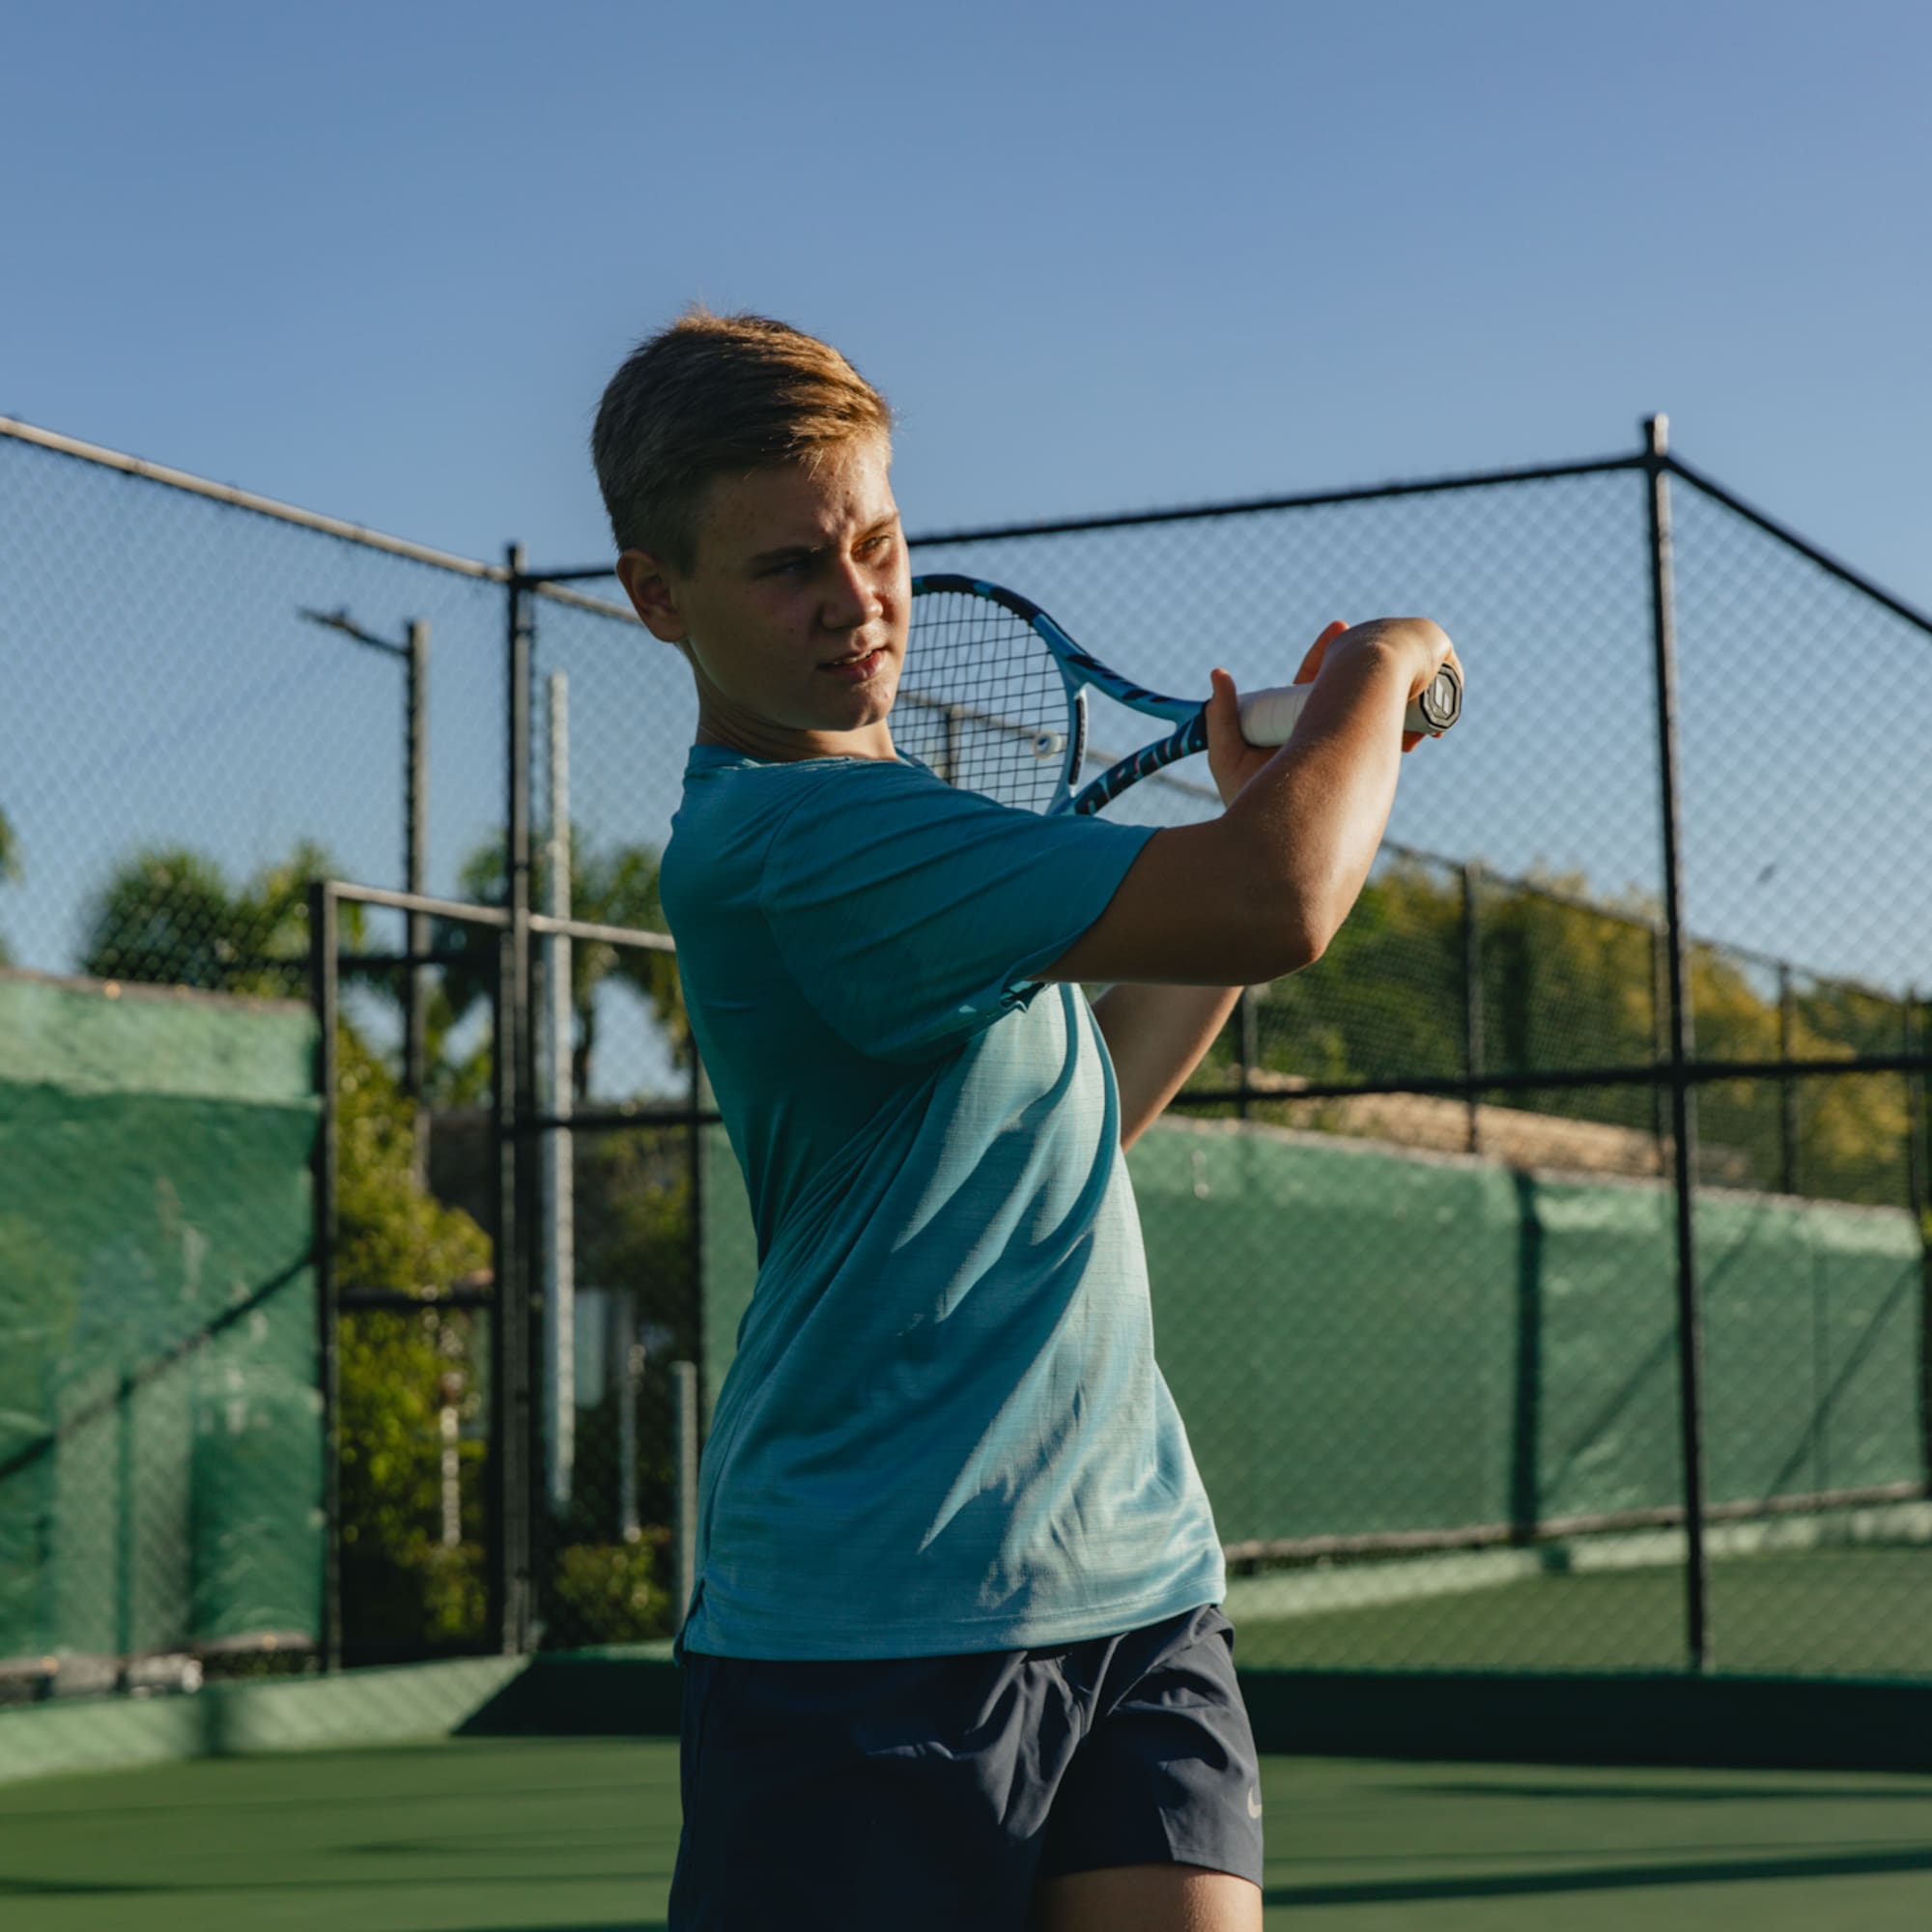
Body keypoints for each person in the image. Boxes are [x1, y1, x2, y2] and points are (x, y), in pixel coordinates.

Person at [595, 308, 1461, 1932]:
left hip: (1133, 1577)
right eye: (789, 569)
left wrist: (1231, 811)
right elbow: (1283, 899)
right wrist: (1381, 667)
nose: (859, 605)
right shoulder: (794, 846)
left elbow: (1089, 1103)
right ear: (659, 597)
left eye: (877, 542)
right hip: (864, 1633)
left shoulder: (912, 838)